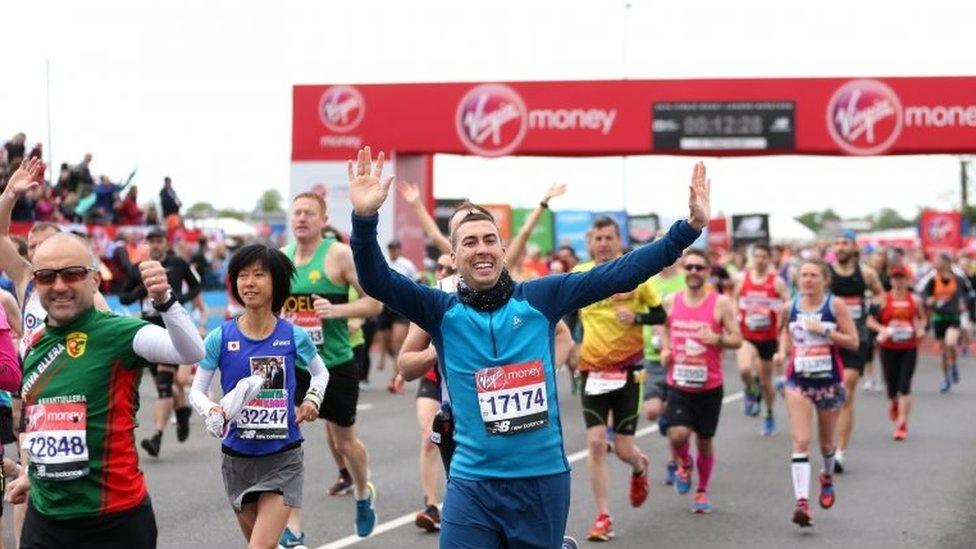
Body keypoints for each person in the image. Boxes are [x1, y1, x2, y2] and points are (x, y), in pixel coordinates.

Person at [348, 146, 708, 548]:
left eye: (489, 240)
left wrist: (687, 230)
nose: (481, 248)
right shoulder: (439, 309)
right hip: (472, 484)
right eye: (469, 242)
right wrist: (364, 220)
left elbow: (620, 274)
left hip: (541, 481)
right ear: (453, 256)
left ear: (503, 250)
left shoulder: (542, 297)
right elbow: (377, 280)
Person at [5, 232, 205, 548]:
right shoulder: (33, 344)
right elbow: (38, 422)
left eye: (72, 274)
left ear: (95, 280)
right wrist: (33, 471)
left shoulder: (118, 333)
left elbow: (192, 352)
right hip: (44, 520)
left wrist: (164, 299)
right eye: (46, 277)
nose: (59, 286)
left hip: (112, 521)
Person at [188, 244, 329, 549]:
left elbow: (321, 373)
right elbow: (196, 391)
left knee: (258, 547)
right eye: (242, 275)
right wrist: (212, 410)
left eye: (259, 275)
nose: (249, 282)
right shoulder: (220, 338)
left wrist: (312, 399)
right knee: (261, 543)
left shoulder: (292, 335)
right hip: (237, 459)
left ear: (276, 282)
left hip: (283, 457)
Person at [279, 191, 383, 544]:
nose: (302, 219)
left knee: (344, 441)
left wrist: (335, 311)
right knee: (286, 439)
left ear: (323, 220)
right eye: (297, 213)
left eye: (309, 213)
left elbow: (375, 303)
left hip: (335, 362)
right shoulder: (282, 258)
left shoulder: (338, 255)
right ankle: (293, 526)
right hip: (294, 365)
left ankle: (362, 493)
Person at [573, 215, 666, 542]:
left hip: (629, 371)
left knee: (623, 448)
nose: (602, 244)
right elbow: (566, 315)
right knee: (596, 443)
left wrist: (637, 316)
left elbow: (660, 314)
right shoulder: (580, 275)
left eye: (608, 238)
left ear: (618, 240)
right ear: (589, 242)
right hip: (591, 370)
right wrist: (569, 348)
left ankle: (639, 465)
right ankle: (603, 516)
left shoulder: (636, 275)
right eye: (597, 239)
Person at [774, 258, 859, 527]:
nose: (808, 279)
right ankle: (802, 503)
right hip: (797, 380)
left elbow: (854, 342)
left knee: (825, 445)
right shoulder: (790, 306)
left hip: (828, 381)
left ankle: (827, 476)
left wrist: (824, 331)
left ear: (825, 279)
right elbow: (785, 334)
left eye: (813, 275)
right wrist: (782, 352)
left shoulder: (835, 305)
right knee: (800, 442)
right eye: (804, 275)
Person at [659, 249, 741, 513]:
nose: (694, 272)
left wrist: (717, 339)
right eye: (690, 267)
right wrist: (665, 349)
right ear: (683, 270)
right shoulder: (671, 301)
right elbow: (664, 329)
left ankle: (702, 491)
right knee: (677, 433)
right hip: (679, 383)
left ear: (707, 272)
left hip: (709, 385)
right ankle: (684, 464)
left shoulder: (720, 303)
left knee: (704, 441)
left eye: (699, 268)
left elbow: (737, 339)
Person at [119, 226, 202, 457]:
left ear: (166, 243)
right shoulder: (138, 269)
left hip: (172, 330)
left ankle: (156, 437)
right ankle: (182, 411)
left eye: (159, 240)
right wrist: (140, 292)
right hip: (149, 330)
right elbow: (123, 296)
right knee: (171, 383)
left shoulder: (178, 264)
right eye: (151, 241)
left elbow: (197, 285)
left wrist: (178, 300)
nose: (155, 245)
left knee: (165, 385)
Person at [829, 231, 884, 473]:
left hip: (856, 338)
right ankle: (829, 443)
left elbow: (881, 294)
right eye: (837, 243)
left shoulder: (866, 273)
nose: (840, 247)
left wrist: (873, 309)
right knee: (831, 396)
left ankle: (840, 453)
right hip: (828, 338)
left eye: (845, 243)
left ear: (853, 247)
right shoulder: (825, 273)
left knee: (846, 387)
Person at [733, 244, 789, 435]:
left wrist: (783, 309)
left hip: (768, 337)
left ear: (769, 259)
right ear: (752, 258)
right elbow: (734, 299)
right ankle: (751, 389)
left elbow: (788, 302)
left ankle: (769, 414)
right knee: (744, 369)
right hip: (747, 335)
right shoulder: (743, 279)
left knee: (767, 382)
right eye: (757, 256)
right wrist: (735, 317)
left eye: (764, 256)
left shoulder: (776, 281)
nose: (760, 260)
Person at [866, 265, 925, 440]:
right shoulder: (881, 300)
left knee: (905, 385)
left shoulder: (915, 300)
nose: (898, 282)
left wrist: (920, 329)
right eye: (895, 278)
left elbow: (922, 319)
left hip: (909, 347)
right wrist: (882, 329)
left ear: (907, 280)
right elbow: (869, 321)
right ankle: (894, 401)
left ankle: (902, 424)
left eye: (901, 278)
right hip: (888, 348)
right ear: (890, 281)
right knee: (892, 387)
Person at [641, 260, 686, 486]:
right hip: (652, 356)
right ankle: (666, 422)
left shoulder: (686, 280)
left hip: (681, 357)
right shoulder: (648, 283)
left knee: (674, 418)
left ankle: (674, 462)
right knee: (651, 412)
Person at [918, 253, 973, 393]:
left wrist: (964, 303)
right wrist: (927, 300)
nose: (935, 263)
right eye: (935, 261)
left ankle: (953, 365)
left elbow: (969, 293)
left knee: (950, 342)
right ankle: (946, 378)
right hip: (938, 317)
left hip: (954, 316)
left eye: (938, 261)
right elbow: (923, 293)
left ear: (947, 263)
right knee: (943, 351)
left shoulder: (959, 279)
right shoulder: (932, 279)